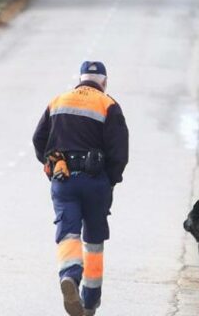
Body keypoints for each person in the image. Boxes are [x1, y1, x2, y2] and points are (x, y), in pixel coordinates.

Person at [32, 61, 129, 316]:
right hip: (96, 182)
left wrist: (51, 166)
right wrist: (111, 180)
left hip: (63, 180)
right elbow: (120, 152)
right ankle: (89, 301)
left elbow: (38, 139)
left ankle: (70, 276)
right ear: (104, 82)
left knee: (68, 232)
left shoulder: (58, 101)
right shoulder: (108, 105)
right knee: (94, 241)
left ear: (79, 78)